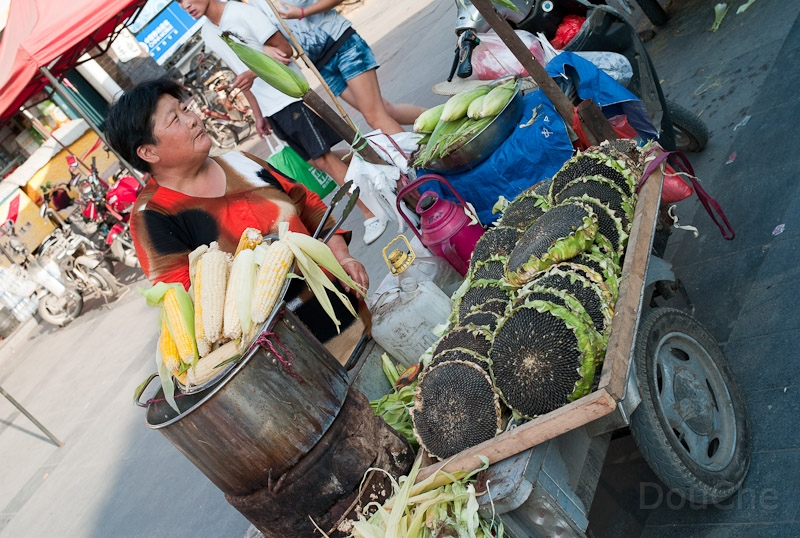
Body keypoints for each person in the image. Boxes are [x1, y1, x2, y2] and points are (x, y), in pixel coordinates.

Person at [105, 77, 369, 343]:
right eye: (174, 119)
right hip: (289, 352)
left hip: (347, 308)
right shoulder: (153, 216)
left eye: (184, 109)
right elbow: (184, 299)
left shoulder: (239, 160)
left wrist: (342, 256)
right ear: (149, 152)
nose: (193, 119)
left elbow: (307, 203)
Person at [177, 0, 388, 245]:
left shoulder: (242, 13)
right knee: (315, 162)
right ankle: (374, 158)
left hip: (290, 96)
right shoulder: (207, 33)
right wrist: (258, 114)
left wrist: (252, 73)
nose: (185, 5)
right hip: (271, 109)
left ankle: (372, 212)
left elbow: (284, 50)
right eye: (179, 3)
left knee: (324, 159)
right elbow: (239, 74)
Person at [253, 0, 426, 135]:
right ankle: (445, 120)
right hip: (321, 66)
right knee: (385, 111)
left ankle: (418, 173)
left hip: (343, 45)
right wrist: (268, 48)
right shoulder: (254, 5)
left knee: (374, 117)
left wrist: (302, 12)